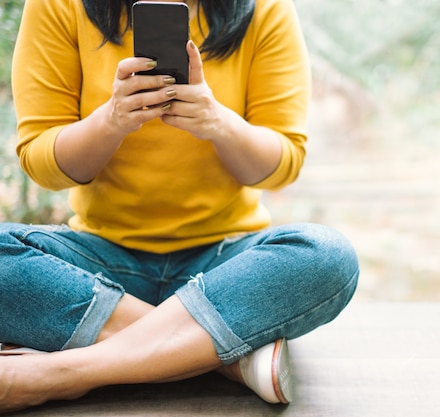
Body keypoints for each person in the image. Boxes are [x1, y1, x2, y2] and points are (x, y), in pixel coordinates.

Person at [0, 0, 359, 412]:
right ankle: (218, 355)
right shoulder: (57, 5)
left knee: (327, 256)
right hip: (100, 260)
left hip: (224, 265)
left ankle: (62, 373)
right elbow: (44, 165)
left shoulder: (266, 8)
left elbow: (281, 166)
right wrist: (111, 121)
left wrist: (218, 124)